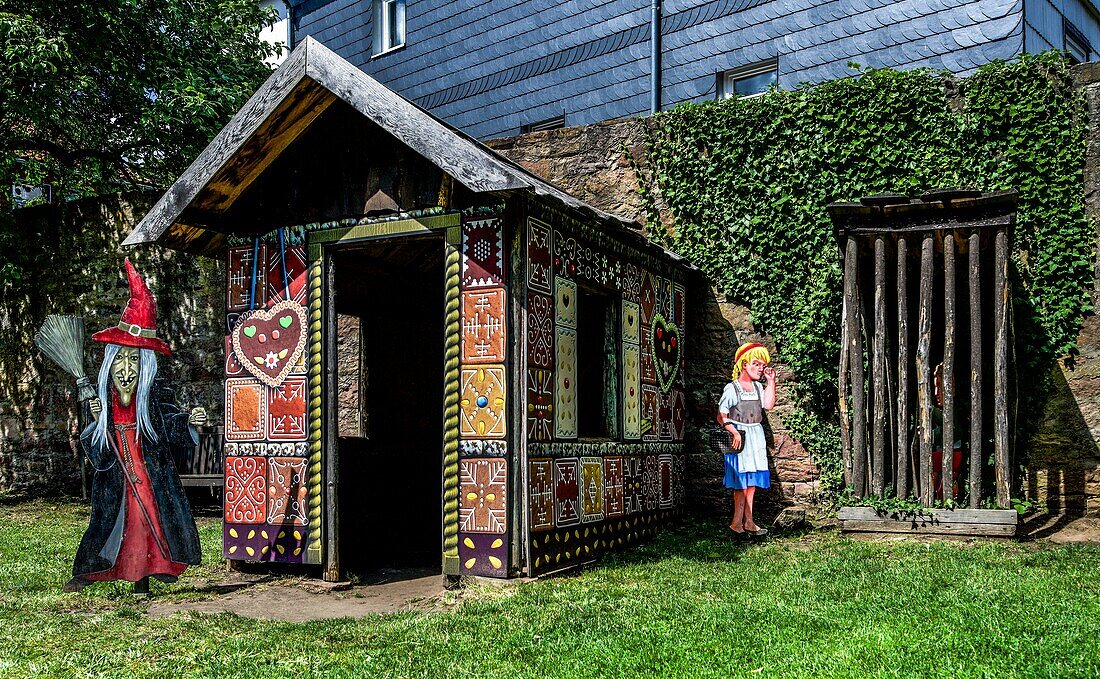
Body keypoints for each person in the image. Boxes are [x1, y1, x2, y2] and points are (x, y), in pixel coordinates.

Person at [64, 260, 206, 593]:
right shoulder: (103, 403)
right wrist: (99, 422)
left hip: (149, 478)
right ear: (109, 364)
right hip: (117, 480)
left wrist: (188, 421)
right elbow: (97, 455)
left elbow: (170, 420)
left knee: (146, 525)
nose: (127, 370)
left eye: (135, 361)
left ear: (146, 368)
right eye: (121, 360)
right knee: (111, 525)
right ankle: (92, 571)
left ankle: (141, 581)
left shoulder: (155, 397)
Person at [716, 342, 776, 537]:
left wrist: (771, 382)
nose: (760, 368)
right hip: (740, 438)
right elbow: (721, 415)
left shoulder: (758, 388)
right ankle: (736, 522)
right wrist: (733, 432)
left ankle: (749, 521)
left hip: (755, 435)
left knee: (751, 482)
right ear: (744, 364)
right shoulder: (733, 388)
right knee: (741, 481)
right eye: (756, 364)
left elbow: (768, 405)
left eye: (762, 365)